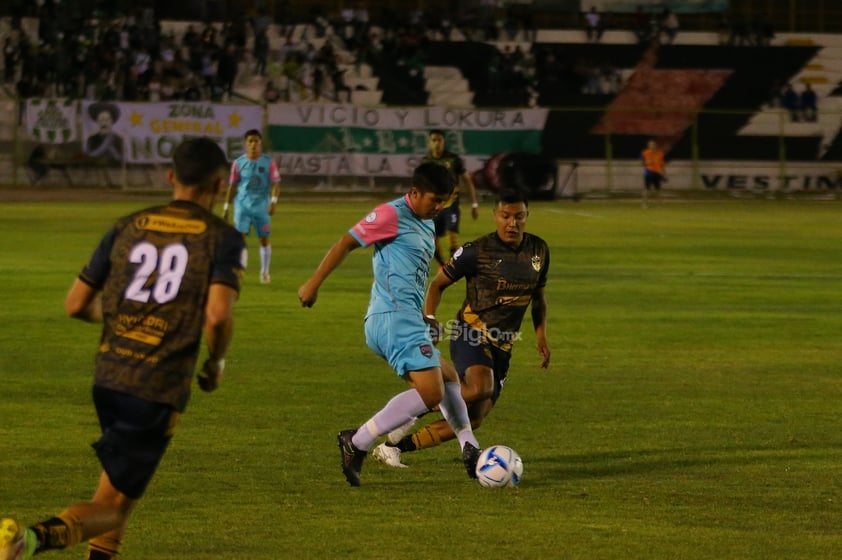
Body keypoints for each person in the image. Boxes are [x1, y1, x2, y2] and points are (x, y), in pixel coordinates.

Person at [0, 137, 245, 560]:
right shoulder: (222, 238)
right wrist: (217, 362)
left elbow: (76, 304)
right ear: (220, 185)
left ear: (170, 177)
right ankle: (26, 541)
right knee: (112, 510)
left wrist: (122, 316)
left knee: (114, 496)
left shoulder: (127, 225)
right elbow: (218, 316)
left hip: (109, 375)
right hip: (156, 385)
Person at [297, 162, 482, 487]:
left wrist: (426, 317)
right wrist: (313, 284)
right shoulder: (390, 214)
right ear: (414, 192)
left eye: (445, 201)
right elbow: (346, 243)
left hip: (409, 320)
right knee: (430, 392)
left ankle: (470, 446)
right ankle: (357, 442)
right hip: (391, 319)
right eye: (434, 199)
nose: (439, 207)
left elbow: (410, 275)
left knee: (450, 377)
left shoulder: (426, 223)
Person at [372, 188, 550, 468]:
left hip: (504, 344)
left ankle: (393, 447)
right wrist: (429, 318)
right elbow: (437, 284)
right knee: (480, 386)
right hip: (470, 333)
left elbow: (538, 297)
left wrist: (541, 335)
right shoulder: (476, 250)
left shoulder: (538, 250)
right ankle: (416, 406)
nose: (512, 223)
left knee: (475, 418)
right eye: (506, 216)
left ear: (527, 216)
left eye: (519, 217)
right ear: (495, 216)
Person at [224, 129, 281, 284]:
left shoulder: (269, 162)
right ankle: (238, 270)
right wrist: (226, 207)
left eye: (256, 141)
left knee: (264, 239)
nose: (253, 144)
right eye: (250, 141)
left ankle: (264, 272)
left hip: (261, 206)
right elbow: (232, 186)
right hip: (242, 206)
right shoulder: (238, 163)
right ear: (245, 143)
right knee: (239, 240)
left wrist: (274, 202)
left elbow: (276, 184)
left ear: (260, 143)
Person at [422, 129, 479, 266]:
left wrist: (474, 204)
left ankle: (453, 266)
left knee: (452, 234)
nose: (437, 143)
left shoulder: (453, 160)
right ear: (429, 143)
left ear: (444, 142)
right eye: (434, 140)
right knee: (433, 238)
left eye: (439, 140)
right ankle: (443, 265)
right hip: (433, 206)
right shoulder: (426, 161)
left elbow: (467, 180)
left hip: (451, 204)